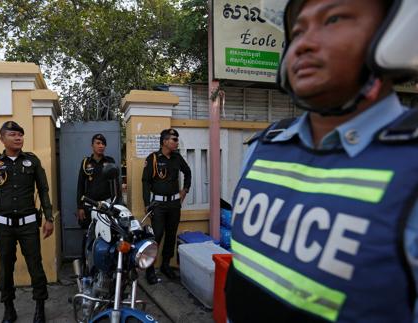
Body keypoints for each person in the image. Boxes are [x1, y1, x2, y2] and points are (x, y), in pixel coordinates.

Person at [225, 0, 418, 322]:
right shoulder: (263, 148)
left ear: (394, 34)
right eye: (298, 31)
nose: (304, 44)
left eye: (333, 19)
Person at [0, 121, 54, 323]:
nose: (18, 137)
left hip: (28, 224)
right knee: (6, 268)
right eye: (12, 134)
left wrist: (49, 217)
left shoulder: (32, 161)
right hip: (3, 226)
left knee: (35, 266)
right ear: (2, 139)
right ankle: (9, 309)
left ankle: (40, 308)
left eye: (20, 134)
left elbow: (43, 190)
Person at [141, 128, 191, 284]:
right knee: (157, 236)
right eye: (173, 139)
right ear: (164, 142)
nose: (176, 142)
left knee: (171, 235)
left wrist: (185, 190)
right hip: (158, 205)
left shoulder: (177, 158)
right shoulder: (153, 158)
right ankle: (149, 269)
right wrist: (147, 203)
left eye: (176, 139)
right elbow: (146, 182)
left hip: (174, 204)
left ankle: (165, 265)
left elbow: (188, 172)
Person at [76, 134, 122, 264]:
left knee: (107, 234)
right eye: (98, 143)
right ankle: (85, 264)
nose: (101, 146)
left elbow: (116, 185)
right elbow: (80, 185)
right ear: (92, 145)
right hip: (89, 205)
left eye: (103, 144)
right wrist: (80, 207)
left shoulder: (110, 161)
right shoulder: (86, 163)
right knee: (88, 235)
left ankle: (106, 263)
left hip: (106, 206)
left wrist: (117, 204)